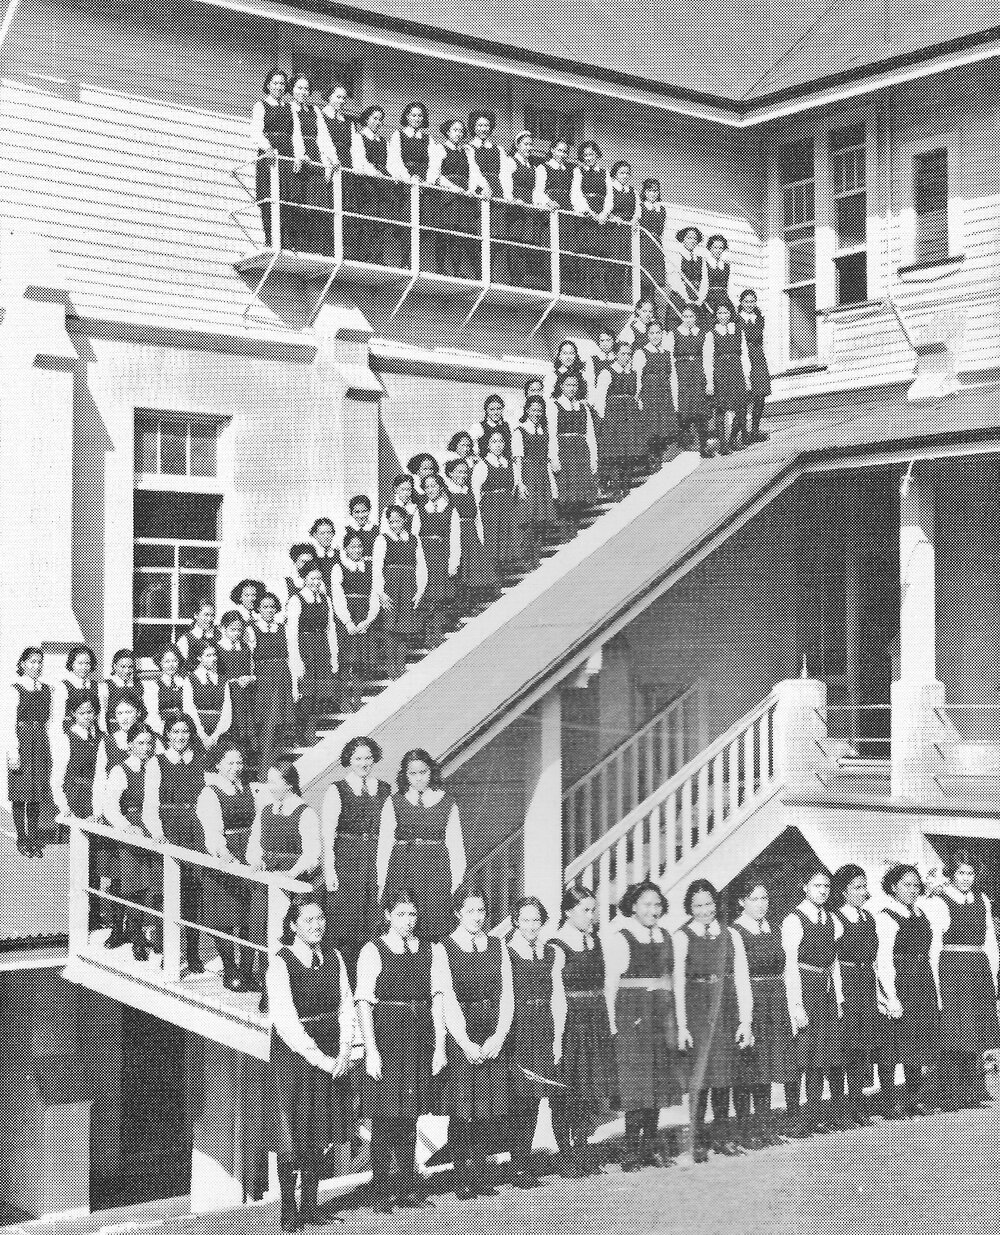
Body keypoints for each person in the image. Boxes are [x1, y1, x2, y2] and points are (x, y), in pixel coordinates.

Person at [356, 888, 448, 1213]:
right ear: (387, 916)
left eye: (412, 914)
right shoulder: (373, 949)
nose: (408, 922)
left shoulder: (430, 949)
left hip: (419, 1034)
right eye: (401, 915)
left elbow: (437, 997)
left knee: (410, 1114)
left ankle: (407, 1185)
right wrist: (372, 1049)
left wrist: (439, 1045)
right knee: (385, 1115)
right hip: (388, 1035)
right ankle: (382, 1189)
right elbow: (364, 1002)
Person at [267, 896, 355, 1232]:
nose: (316, 925)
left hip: (333, 1050)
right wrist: (321, 1058)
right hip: (295, 1057)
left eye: (320, 919)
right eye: (308, 920)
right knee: (292, 1132)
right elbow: (286, 1021)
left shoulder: (334, 957)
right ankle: (289, 1211)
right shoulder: (281, 962)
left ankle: (311, 1206)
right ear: (293, 926)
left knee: (320, 1132)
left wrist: (345, 1048)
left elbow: (346, 1004)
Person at [673, 878, 753, 1162]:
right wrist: (681, 1025)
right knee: (700, 1078)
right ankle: (696, 1140)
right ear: (689, 908)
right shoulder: (682, 937)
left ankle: (723, 1137)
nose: (705, 910)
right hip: (697, 1009)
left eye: (709, 904)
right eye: (698, 906)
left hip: (726, 1007)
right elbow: (678, 984)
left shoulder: (732, 935)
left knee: (724, 1076)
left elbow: (742, 978)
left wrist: (746, 1020)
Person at [442, 886, 514, 1199]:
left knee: (488, 1109)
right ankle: (461, 1176)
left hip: (493, 1032)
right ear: (458, 912)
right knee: (462, 1109)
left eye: (482, 911)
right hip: (463, 1032)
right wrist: (464, 1041)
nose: (477, 917)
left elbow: (507, 994)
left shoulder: (498, 946)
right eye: (470, 911)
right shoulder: (444, 948)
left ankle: (481, 1174)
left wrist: (499, 1035)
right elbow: (447, 997)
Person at [604, 881, 680, 1170]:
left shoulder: (666, 936)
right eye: (647, 904)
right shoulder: (621, 938)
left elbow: (671, 979)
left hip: (661, 1015)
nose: (653, 910)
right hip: (632, 1017)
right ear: (633, 906)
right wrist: (612, 1024)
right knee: (636, 1086)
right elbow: (610, 984)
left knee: (658, 1084)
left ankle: (650, 1147)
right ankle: (631, 1151)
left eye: (657, 904)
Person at [549, 885, 616, 1177]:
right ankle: (566, 1153)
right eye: (585, 910)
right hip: (571, 1022)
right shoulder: (556, 944)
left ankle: (582, 1146)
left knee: (590, 1089)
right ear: (568, 912)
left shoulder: (596, 941)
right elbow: (555, 991)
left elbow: (605, 985)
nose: (592, 916)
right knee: (567, 1089)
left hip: (595, 1020)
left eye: (593, 909)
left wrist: (610, 1021)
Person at [925, 851, 1000, 1110]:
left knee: (978, 1030)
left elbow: (990, 940)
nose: (966, 878)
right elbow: (934, 945)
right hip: (953, 969)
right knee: (956, 1030)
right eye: (961, 873)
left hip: (979, 969)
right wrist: (936, 983)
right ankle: (953, 1093)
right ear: (951, 874)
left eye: (970, 873)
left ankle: (977, 1089)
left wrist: (994, 973)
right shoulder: (939, 901)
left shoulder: (983, 900)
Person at [248, 763, 324, 1011]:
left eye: (273, 782)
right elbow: (254, 843)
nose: (269, 787)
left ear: (289, 784)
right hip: (267, 878)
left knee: (285, 933)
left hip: (292, 881)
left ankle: (286, 991)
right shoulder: (266, 811)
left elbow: (312, 854)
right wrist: (255, 859)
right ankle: (267, 987)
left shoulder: (305, 813)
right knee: (261, 930)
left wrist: (291, 873)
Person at [730, 878, 799, 1148]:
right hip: (752, 1000)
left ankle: (766, 1126)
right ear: (742, 902)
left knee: (769, 1066)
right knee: (751, 1067)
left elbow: (785, 967)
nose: (761, 904)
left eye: (765, 899)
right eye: (755, 899)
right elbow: (740, 975)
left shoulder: (773, 927)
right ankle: (748, 1130)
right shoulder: (736, 931)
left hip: (776, 999)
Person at [321, 737, 392, 982]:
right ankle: (344, 982)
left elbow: (389, 830)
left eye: (368, 758)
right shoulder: (337, 789)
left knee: (374, 919)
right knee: (347, 921)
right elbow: (327, 832)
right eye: (358, 758)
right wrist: (329, 870)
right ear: (349, 760)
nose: (364, 763)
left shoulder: (384, 789)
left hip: (375, 858)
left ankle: (369, 981)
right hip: (347, 860)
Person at [379, 749, 466, 943]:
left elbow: (456, 847)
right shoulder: (394, 802)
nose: (418, 778)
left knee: (435, 921)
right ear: (405, 775)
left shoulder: (448, 802)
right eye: (413, 773)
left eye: (423, 772)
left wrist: (456, 883)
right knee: (404, 921)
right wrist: (381, 883)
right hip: (403, 868)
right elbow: (384, 846)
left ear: (431, 771)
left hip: (436, 870)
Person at [781, 866, 843, 1136]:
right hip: (803, 987)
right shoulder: (794, 919)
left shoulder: (830, 918)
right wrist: (796, 1004)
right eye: (817, 886)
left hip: (824, 990)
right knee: (800, 1055)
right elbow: (790, 965)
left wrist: (838, 997)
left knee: (821, 1055)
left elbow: (834, 962)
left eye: (826, 887)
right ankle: (796, 1117)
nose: (822, 891)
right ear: (805, 887)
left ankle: (815, 1114)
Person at [875, 865, 940, 1118]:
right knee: (893, 1044)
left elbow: (930, 953)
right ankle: (890, 1102)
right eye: (906, 885)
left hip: (922, 982)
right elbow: (883, 960)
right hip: (901, 981)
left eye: (916, 885)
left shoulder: (921, 913)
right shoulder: (886, 917)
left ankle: (913, 1098)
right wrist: (890, 995)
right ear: (893, 887)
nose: (912, 890)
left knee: (917, 1043)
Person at [504, 896, 558, 1186]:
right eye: (525, 919)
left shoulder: (548, 952)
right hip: (519, 1028)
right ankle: (517, 1163)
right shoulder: (507, 952)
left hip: (543, 1025)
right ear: (515, 921)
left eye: (536, 920)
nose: (531, 925)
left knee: (536, 1094)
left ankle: (524, 1161)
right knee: (519, 1096)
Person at [198, 746, 260, 991]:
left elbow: (258, 823)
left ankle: (246, 970)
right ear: (218, 765)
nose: (236, 768)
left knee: (247, 916)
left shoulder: (248, 789)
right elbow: (211, 831)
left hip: (248, 851)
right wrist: (226, 854)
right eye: (230, 763)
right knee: (222, 917)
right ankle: (230, 968)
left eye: (239, 762)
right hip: (225, 855)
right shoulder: (210, 793)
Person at [102, 723, 165, 961]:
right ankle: (137, 938)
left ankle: (159, 936)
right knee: (134, 886)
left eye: (150, 743)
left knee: (158, 885)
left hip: (156, 825)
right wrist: (127, 827)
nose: (146, 748)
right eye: (140, 743)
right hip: (133, 827)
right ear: (129, 745)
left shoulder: (158, 767)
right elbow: (110, 806)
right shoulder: (121, 770)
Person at [157, 714, 207, 975]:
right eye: (175, 732)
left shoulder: (199, 760)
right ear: (167, 734)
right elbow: (150, 804)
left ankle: (192, 951)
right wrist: (157, 832)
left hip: (193, 828)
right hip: (169, 827)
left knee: (192, 892)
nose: (180, 737)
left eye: (185, 731)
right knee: (169, 891)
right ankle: (168, 950)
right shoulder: (158, 762)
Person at [829, 865, 879, 1127]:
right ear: (844, 890)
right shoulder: (836, 918)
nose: (862, 892)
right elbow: (833, 959)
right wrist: (838, 995)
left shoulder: (868, 918)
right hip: (846, 984)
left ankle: (859, 1105)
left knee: (863, 1046)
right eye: (856, 887)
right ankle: (840, 1109)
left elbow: (876, 959)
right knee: (845, 1046)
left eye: (864, 886)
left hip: (866, 983)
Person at [93, 696, 144, 943]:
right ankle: (117, 929)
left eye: (130, 711)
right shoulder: (108, 741)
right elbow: (99, 778)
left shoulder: (147, 739)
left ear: (138, 713)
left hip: (139, 816)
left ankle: (137, 931)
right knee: (115, 875)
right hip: (115, 815)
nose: (125, 717)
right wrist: (99, 811)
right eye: (120, 712)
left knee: (137, 878)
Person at [6, 647, 52, 857]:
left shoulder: (46, 689)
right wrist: (12, 752)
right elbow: (7, 723)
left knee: (35, 794)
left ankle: (33, 839)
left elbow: (49, 720)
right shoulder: (14, 689)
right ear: (23, 664)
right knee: (19, 793)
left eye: (39, 662)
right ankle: (22, 839)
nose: (36, 666)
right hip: (22, 742)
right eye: (32, 662)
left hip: (39, 741)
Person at [286, 563, 339, 746]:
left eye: (318, 578)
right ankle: (300, 733)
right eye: (312, 579)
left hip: (321, 647)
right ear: (304, 579)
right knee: (306, 694)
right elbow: (291, 633)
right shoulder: (296, 600)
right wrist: (296, 660)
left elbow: (330, 628)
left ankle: (311, 730)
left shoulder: (326, 599)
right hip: (305, 648)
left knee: (320, 693)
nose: (316, 582)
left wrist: (333, 655)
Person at [373, 506, 427, 680]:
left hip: (408, 586)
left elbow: (421, 566)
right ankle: (391, 668)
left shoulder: (414, 539)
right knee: (390, 627)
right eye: (391, 522)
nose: (395, 524)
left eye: (398, 520)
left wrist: (419, 591)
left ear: (405, 520)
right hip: (391, 587)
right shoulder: (382, 539)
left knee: (405, 626)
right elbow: (377, 568)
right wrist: (380, 592)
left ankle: (401, 666)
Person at [329, 530, 379, 713]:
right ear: (346, 549)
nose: (357, 550)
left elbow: (374, 593)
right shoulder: (338, 567)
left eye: (359, 546)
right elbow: (337, 596)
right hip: (347, 620)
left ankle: (357, 698)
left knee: (360, 661)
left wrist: (368, 620)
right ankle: (344, 700)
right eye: (353, 547)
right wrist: (348, 622)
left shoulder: (370, 566)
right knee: (346, 662)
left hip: (364, 618)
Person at [431, 119, 486, 280]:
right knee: (445, 231)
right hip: (448, 194)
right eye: (455, 130)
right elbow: (436, 175)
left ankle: (456, 269)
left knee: (461, 234)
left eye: (461, 131)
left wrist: (472, 189)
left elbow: (474, 173)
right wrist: (453, 188)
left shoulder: (467, 152)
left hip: (464, 197)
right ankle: (440, 267)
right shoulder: (440, 148)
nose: (459, 133)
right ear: (447, 132)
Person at [288, 75, 336, 255]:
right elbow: (294, 133)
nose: (303, 92)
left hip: (315, 157)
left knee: (318, 204)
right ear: (292, 89)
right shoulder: (289, 108)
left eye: (306, 89)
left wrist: (332, 159)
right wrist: (300, 155)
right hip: (300, 158)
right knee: (300, 203)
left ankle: (318, 248)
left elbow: (324, 137)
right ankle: (300, 247)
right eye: (299, 88)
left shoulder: (315, 110)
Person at [413, 471, 460, 650]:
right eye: (427, 487)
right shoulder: (420, 510)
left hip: (442, 556)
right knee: (425, 596)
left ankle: (437, 634)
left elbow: (455, 537)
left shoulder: (450, 509)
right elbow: (414, 536)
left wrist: (453, 562)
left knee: (439, 597)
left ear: (440, 487)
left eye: (434, 486)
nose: (431, 489)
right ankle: (426, 636)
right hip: (424, 557)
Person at [352, 105, 402, 269]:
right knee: (368, 220)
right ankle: (365, 255)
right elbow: (361, 161)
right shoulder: (359, 137)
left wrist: (394, 176)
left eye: (381, 119)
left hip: (383, 184)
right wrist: (377, 174)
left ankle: (377, 255)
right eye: (375, 118)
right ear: (366, 119)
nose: (378, 122)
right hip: (368, 183)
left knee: (382, 221)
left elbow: (392, 163)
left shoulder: (384, 142)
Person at [387, 103, 435, 272]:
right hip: (406, 183)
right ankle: (404, 259)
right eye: (413, 115)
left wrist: (426, 181)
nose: (417, 119)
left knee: (421, 223)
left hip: (422, 184)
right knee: (407, 222)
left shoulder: (428, 139)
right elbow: (394, 160)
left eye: (420, 116)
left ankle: (413, 259)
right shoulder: (398, 135)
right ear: (407, 116)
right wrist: (409, 178)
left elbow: (433, 163)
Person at [550, 371, 599, 538]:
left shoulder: (583, 407)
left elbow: (590, 434)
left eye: (574, 385)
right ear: (561, 386)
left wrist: (593, 459)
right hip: (564, 452)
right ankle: (565, 530)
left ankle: (575, 528)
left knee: (579, 493)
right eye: (568, 385)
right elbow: (551, 434)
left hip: (581, 453)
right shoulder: (554, 405)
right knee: (566, 493)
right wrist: (554, 458)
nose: (572, 388)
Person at [594, 338, 643, 500]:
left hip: (630, 416)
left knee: (629, 452)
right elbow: (600, 398)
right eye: (622, 353)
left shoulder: (633, 373)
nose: (626, 357)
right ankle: (615, 488)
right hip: (614, 417)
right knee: (616, 453)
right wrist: (602, 420)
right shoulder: (607, 372)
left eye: (629, 354)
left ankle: (626, 486)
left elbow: (636, 395)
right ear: (616, 354)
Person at [444, 458, 496, 609]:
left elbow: (476, 515)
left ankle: (470, 603)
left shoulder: (468, 491)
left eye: (465, 472)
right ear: (450, 473)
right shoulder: (447, 492)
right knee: (459, 569)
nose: (463, 475)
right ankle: (459, 606)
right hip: (456, 533)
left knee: (472, 569)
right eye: (459, 472)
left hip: (470, 533)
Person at [512, 396, 558, 569]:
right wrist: (519, 483)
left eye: (539, 410)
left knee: (541, 518)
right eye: (533, 410)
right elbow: (517, 460)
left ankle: (536, 557)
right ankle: (526, 558)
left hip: (542, 476)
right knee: (528, 518)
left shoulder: (543, 430)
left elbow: (546, 458)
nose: (536, 413)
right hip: (528, 475)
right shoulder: (520, 431)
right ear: (527, 410)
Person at [253, 593, 297, 771]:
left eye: (272, 606)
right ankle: (264, 768)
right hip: (264, 679)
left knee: (281, 723)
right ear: (258, 609)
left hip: (282, 676)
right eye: (264, 606)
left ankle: (274, 767)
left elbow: (290, 655)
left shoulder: (282, 628)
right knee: (268, 722)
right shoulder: (252, 629)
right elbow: (250, 658)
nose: (268, 610)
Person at [496, 130, 545, 290]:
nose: (529, 147)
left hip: (529, 209)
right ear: (517, 145)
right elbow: (505, 182)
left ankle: (522, 278)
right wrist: (512, 199)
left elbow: (537, 191)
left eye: (531, 144)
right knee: (515, 243)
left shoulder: (533, 167)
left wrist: (542, 203)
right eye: (525, 144)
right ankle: (515, 278)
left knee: (526, 244)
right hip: (515, 209)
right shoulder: (510, 162)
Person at [250, 69, 293, 247]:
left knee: (286, 195)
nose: (279, 87)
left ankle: (285, 240)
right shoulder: (261, 105)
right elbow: (255, 132)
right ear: (268, 85)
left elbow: (295, 134)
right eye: (275, 83)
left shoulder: (289, 108)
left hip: (286, 153)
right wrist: (267, 147)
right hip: (270, 154)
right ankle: (270, 239)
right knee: (269, 195)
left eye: (282, 83)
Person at [473, 430, 520, 583]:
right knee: (493, 539)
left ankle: (505, 575)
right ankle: (495, 578)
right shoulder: (482, 465)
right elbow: (475, 490)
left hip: (506, 504)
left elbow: (513, 486)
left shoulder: (508, 463)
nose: (498, 445)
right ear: (488, 445)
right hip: (490, 507)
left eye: (500, 441)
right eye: (494, 441)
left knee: (506, 537)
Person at [51, 695, 101, 841]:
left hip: (96, 796)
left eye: (90, 712)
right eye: (82, 713)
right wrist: (64, 807)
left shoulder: (102, 738)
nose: (87, 717)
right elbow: (56, 779)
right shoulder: (66, 739)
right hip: (76, 796)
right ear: (73, 714)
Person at [671, 304, 714, 457]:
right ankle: (684, 443)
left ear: (696, 318)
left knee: (701, 412)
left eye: (691, 317)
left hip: (697, 373)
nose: (688, 320)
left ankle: (703, 446)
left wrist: (709, 381)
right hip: (681, 374)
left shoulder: (704, 334)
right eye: (685, 316)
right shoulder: (674, 334)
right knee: (684, 410)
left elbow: (708, 358)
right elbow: (670, 358)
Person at [635, 318, 679, 469]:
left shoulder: (667, 353)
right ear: (647, 334)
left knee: (663, 425)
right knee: (651, 425)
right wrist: (638, 398)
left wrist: (674, 396)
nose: (655, 336)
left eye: (658, 332)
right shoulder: (641, 353)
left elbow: (672, 376)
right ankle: (651, 458)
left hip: (664, 393)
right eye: (652, 333)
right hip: (649, 394)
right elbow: (637, 377)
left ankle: (659, 454)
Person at [570, 142, 610, 300]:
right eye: (585, 155)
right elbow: (576, 194)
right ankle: (585, 291)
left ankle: (599, 293)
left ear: (597, 155)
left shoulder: (604, 173)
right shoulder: (578, 171)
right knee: (586, 253)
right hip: (586, 217)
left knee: (599, 254)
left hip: (600, 218)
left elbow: (609, 196)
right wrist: (589, 212)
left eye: (591, 154)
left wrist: (605, 213)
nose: (588, 158)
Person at [533, 138, 574, 292]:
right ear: (552, 150)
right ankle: (548, 284)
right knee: (549, 246)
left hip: (566, 213)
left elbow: (574, 193)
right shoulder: (543, 168)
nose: (562, 154)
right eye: (559, 150)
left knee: (564, 248)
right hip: (550, 211)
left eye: (565, 151)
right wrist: (548, 201)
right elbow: (538, 191)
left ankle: (561, 285)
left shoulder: (569, 171)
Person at [710, 302, 750, 455]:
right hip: (720, 370)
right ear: (716, 315)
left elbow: (744, 354)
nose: (723, 316)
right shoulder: (712, 333)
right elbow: (709, 357)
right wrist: (711, 379)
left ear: (730, 314)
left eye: (725, 313)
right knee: (721, 407)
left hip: (736, 369)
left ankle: (733, 439)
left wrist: (747, 375)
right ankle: (723, 444)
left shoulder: (738, 330)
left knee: (741, 406)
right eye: (719, 313)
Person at [216, 612, 257, 760]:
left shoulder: (245, 648)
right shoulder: (218, 649)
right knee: (232, 729)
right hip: (228, 695)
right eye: (233, 630)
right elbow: (216, 675)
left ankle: (248, 763)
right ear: (223, 629)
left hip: (246, 695)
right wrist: (233, 681)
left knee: (247, 730)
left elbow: (253, 670)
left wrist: (250, 678)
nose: (236, 633)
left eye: (239, 630)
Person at [181, 643, 233, 752]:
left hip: (219, 734)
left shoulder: (223, 680)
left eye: (214, 655)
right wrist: (202, 735)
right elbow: (189, 709)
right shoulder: (190, 679)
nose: (213, 659)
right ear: (199, 658)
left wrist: (216, 735)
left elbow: (227, 710)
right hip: (196, 733)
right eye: (208, 655)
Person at [737, 290, 772, 443]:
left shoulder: (759, 319)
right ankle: (743, 432)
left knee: (760, 395)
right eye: (746, 301)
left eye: (752, 301)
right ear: (741, 303)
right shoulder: (737, 320)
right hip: (745, 356)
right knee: (745, 396)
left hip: (759, 357)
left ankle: (755, 430)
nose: (749, 305)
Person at [605, 162, 638, 304]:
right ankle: (607, 294)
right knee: (612, 261)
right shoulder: (610, 189)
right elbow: (606, 208)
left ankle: (617, 296)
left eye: (627, 173)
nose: (624, 176)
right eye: (621, 173)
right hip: (613, 230)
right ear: (615, 174)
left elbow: (637, 211)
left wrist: (635, 219)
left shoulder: (632, 191)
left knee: (623, 264)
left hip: (626, 232)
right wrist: (612, 217)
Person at [144, 645, 189, 742]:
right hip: (162, 732)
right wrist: (166, 733)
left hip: (184, 732)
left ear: (179, 662)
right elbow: (152, 715)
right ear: (160, 663)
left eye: (174, 661)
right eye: (167, 661)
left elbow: (189, 711)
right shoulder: (153, 686)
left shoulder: (186, 684)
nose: (171, 665)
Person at [52, 646, 100, 729]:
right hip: (70, 735)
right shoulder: (63, 687)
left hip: (93, 735)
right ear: (72, 664)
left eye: (87, 663)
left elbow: (100, 717)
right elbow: (57, 719)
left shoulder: (97, 686)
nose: (84, 667)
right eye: (80, 663)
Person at [637, 179, 669, 303]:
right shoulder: (640, 207)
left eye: (655, 191)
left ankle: (651, 303)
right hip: (644, 243)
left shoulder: (661, 209)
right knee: (643, 277)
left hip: (656, 246)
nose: (653, 194)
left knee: (653, 279)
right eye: (650, 191)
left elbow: (661, 230)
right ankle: (642, 304)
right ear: (644, 192)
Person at [99, 648, 145, 730]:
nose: (127, 671)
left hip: (135, 731)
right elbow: (102, 714)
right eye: (122, 666)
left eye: (130, 667)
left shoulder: (138, 685)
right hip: (115, 730)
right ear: (114, 666)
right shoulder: (106, 686)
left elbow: (143, 711)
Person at [670, 225, 707, 318]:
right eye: (689, 238)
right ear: (683, 239)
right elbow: (675, 281)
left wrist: (700, 299)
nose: (692, 241)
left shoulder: (700, 259)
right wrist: (686, 298)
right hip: (680, 298)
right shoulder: (677, 256)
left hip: (697, 298)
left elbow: (705, 281)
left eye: (695, 238)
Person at [177, 603, 219, 674]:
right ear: (196, 615)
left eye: (212, 615)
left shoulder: (217, 637)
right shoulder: (185, 640)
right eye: (206, 615)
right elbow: (180, 668)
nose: (210, 619)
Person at [703, 234, 734, 320]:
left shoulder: (726, 266)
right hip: (710, 298)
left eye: (720, 248)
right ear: (710, 248)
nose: (718, 250)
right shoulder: (705, 264)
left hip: (724, 298)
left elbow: (730, 286)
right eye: (715, 247)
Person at [340, 495, 379, 565]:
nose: (360, 516)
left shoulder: (377, 530)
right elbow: (343, 554)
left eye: (364, 511)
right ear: (351, 513)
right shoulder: (346, 530)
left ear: (369, 511)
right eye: (357, 512)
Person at [231, 580, 266, 649]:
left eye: (254, 595)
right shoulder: (236, 616)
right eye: (247, 595)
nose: (251, 599)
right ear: (240, 597)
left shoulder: (259, 616)